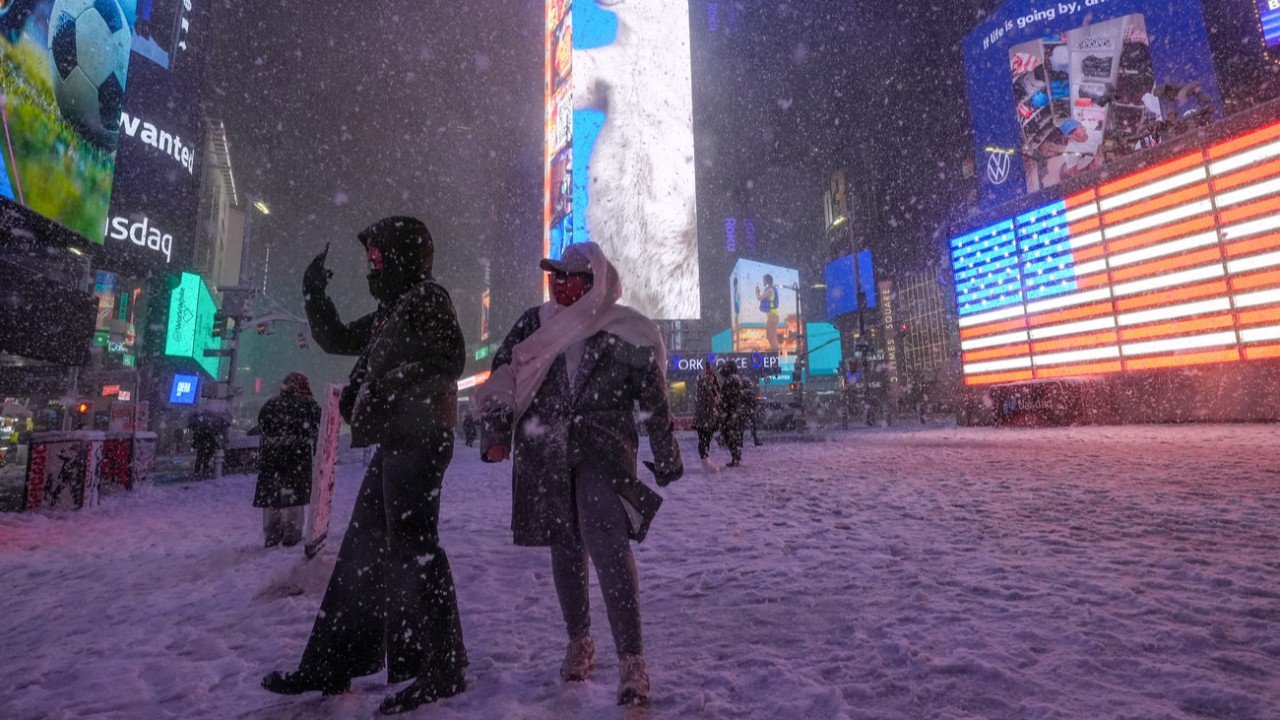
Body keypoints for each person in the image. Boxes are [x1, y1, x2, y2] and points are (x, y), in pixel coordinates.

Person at [262, 216, 469, 716]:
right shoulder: (392, 310)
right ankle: (333, 661)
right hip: (400, 438)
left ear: (401, 256)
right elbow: (335, 337)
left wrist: (381, 390)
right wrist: (314, 293)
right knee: (364, 550)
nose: (371, 266)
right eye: (369, 258)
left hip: (421, 437)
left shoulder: (426, 299)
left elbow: (449, 359)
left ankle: (442, 667)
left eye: (377, 256)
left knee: (414, 546)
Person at [478, 242, 682, 706]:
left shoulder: (625, 330)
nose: (562, 286)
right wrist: (495, 432)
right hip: (545, 453)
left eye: (572, 278)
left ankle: (632, 659)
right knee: (565, 547)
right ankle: (579, 641)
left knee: (608, 546)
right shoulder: (534, 324)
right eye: (557, 277)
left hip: (603, 454)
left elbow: (653, 399)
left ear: (597, 283)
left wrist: (666, 454)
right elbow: (504, 374)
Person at [252, 372, 321, 548]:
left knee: (272, 498)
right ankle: (292, 535)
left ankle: (272, 535)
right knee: (293, 498)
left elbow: (262, 425)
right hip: (296, 459)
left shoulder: (271, 404)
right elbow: (318, 424)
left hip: (271, 460)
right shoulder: (308, 405)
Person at [692, 363, 720, 473]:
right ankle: (705, 462)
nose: (711, 377)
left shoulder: (712, 387)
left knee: (706, 440)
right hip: (705, 419)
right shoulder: (704, 387)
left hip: (709, 418)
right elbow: (705, 403)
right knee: (704, 440)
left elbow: (714, 403)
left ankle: (705, 461)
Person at [718, 363, 745, 467]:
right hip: (734, 411)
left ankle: (735, 456)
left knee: (729, 434)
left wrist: (723, 408)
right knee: (734, 434)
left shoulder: (729, 381)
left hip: (731, 412)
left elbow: (727, 397)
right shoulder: (735, 380)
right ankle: (736, 456)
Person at [189, 410, 227, 478]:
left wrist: (194, 445)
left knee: (201, 459)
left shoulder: (203, 427)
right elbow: (212, 438)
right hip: (206, 446)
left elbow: (197, 437)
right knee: (204, 459)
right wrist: (216, 446)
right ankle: (202, 471)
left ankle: (198, 472)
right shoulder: (208, 428)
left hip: (204, 446)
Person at [756, 274, 780, 352]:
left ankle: (777, 353)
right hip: (771, 315)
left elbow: (759, 298)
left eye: (763, 280)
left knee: (772, 337)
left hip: (773, 315)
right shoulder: (769, 289)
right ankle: (775, 352)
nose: (763, 282)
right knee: (769, 336)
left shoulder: (770, 290)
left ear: (766, 281)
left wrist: (757, 292)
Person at [740, 375, 762, 446]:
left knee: (742, 427)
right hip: (750, 410)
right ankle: (756, 441)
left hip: (743, 411)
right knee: (753, 427)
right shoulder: (751, 392)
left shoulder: (741, 392)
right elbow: (754, 402)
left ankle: (740, 442)